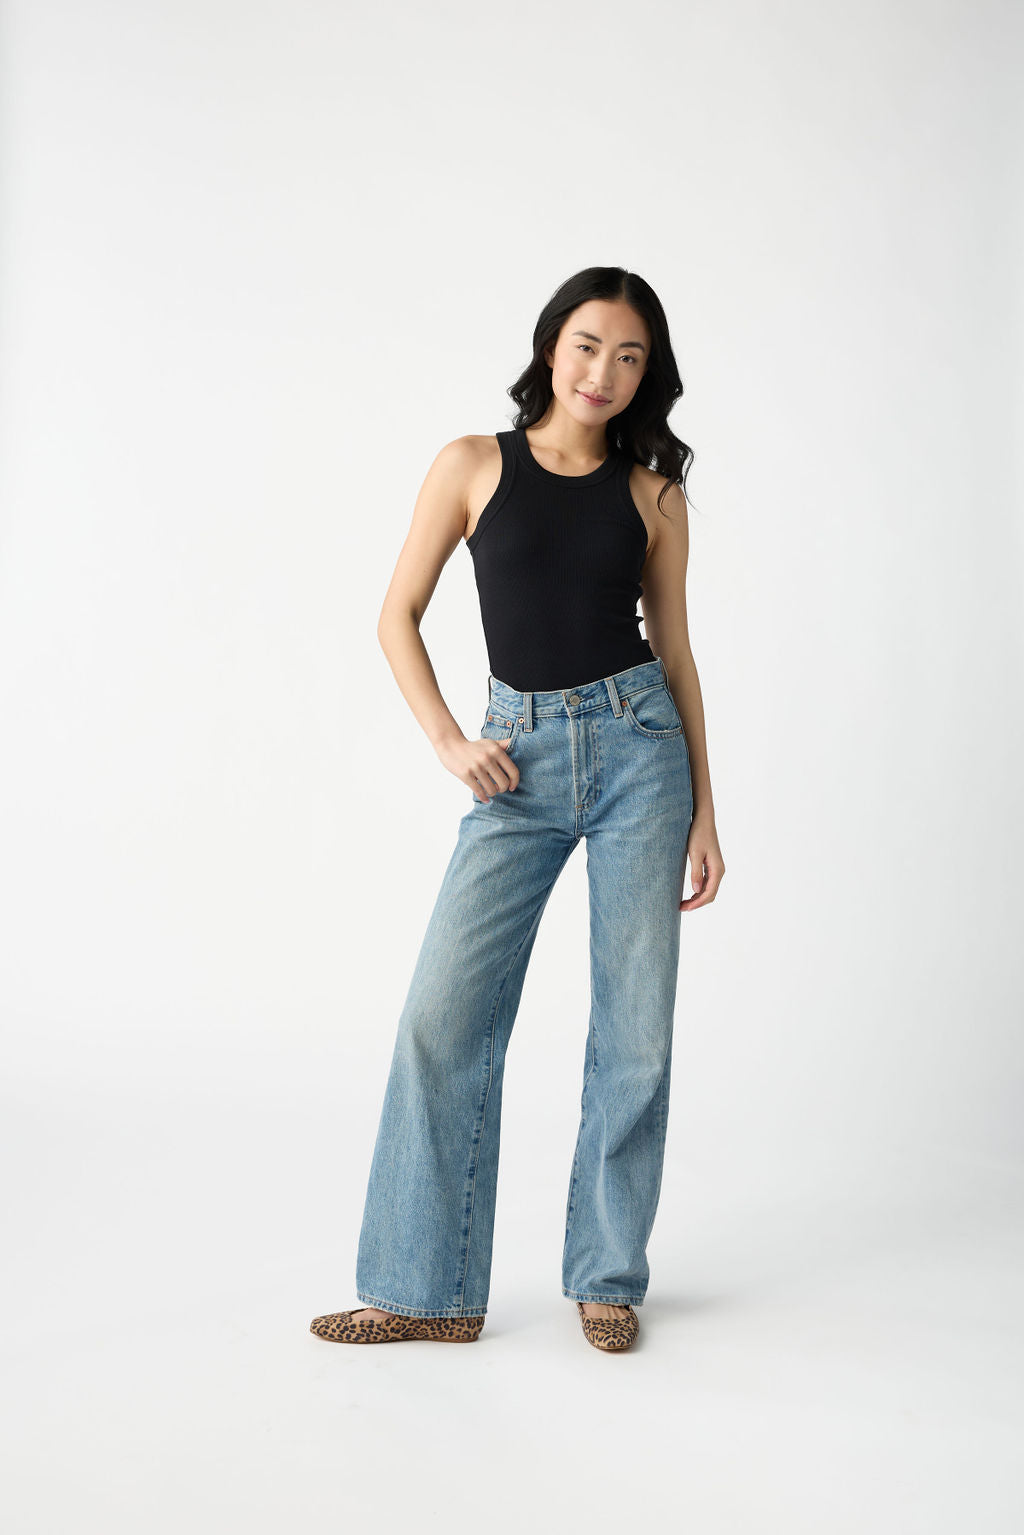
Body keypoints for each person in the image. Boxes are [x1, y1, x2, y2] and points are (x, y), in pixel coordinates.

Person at [310, 266, 725, 1353]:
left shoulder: (653, 495)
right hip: (517, 757)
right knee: (441, 1016)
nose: (604, 371)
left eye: (630, 356)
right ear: (551, 346)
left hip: (642, 752)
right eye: (588, 345)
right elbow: (396, 614)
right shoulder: (470, 464)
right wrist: (451, 740)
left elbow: (675, 657)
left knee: (633, 1028)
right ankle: (421, 1288)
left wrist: (705, 814)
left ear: (648, 375)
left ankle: (607, 1274)